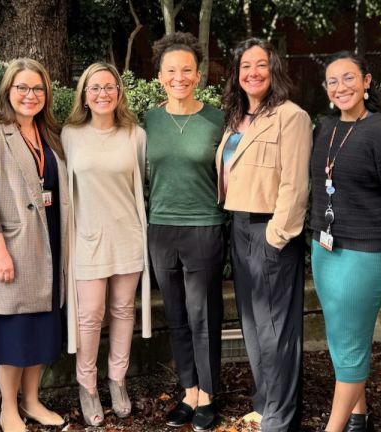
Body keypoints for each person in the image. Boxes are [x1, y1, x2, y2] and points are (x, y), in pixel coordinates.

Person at [309, 52, 381, 432]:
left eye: (349, 78)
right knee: (340, 334)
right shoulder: (324, 129)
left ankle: (334, 428)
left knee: (351, 339)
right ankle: (359, 415)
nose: (341, 87)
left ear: (367, 81)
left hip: (366, 252)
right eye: (333, 81)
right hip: (325, 248)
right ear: (326, 89)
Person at [216, 38, 312, 432]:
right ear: (237, 75)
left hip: (271, 228)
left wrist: (278, 235)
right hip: (239, 226)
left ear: (274, 70)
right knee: (254, 325)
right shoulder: (237, 118)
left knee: (276, 329)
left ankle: (281, 417)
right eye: (245, 67)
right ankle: (266, 399)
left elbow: (295, 182)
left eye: (260, 65)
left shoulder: (292, 116)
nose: (252, 73)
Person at [0, 58, 68, 432]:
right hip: (11, 245)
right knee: (13, 330)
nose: (30, 95)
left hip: (49, 240)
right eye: (22, 88)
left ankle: (32, 400)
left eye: (38, 88)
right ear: (7, 91)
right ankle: (8, 408)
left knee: (41, 328)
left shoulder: (49, 134)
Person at [145, 32, 226, 432]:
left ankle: (209, 393)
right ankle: (189, 390)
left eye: (187, 70)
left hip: (203, 227)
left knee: (203, 313)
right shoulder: (147, 121)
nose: (180, 77)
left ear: (199, 74)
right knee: (176, 313)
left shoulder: (217, 119)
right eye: (171, 70)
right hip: (160, 228)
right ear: (160, 75)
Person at [61, 62, 151, 426]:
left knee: (123, 311)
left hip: (127, 235)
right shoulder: (69, 134)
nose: (103, 93)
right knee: (90, 315)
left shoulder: (135, 134)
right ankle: (87, 383)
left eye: (109, 87)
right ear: (84, 94)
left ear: (119, 92)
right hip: (86, 238)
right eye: (95, 87)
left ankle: (117, 379)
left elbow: (142, 183)